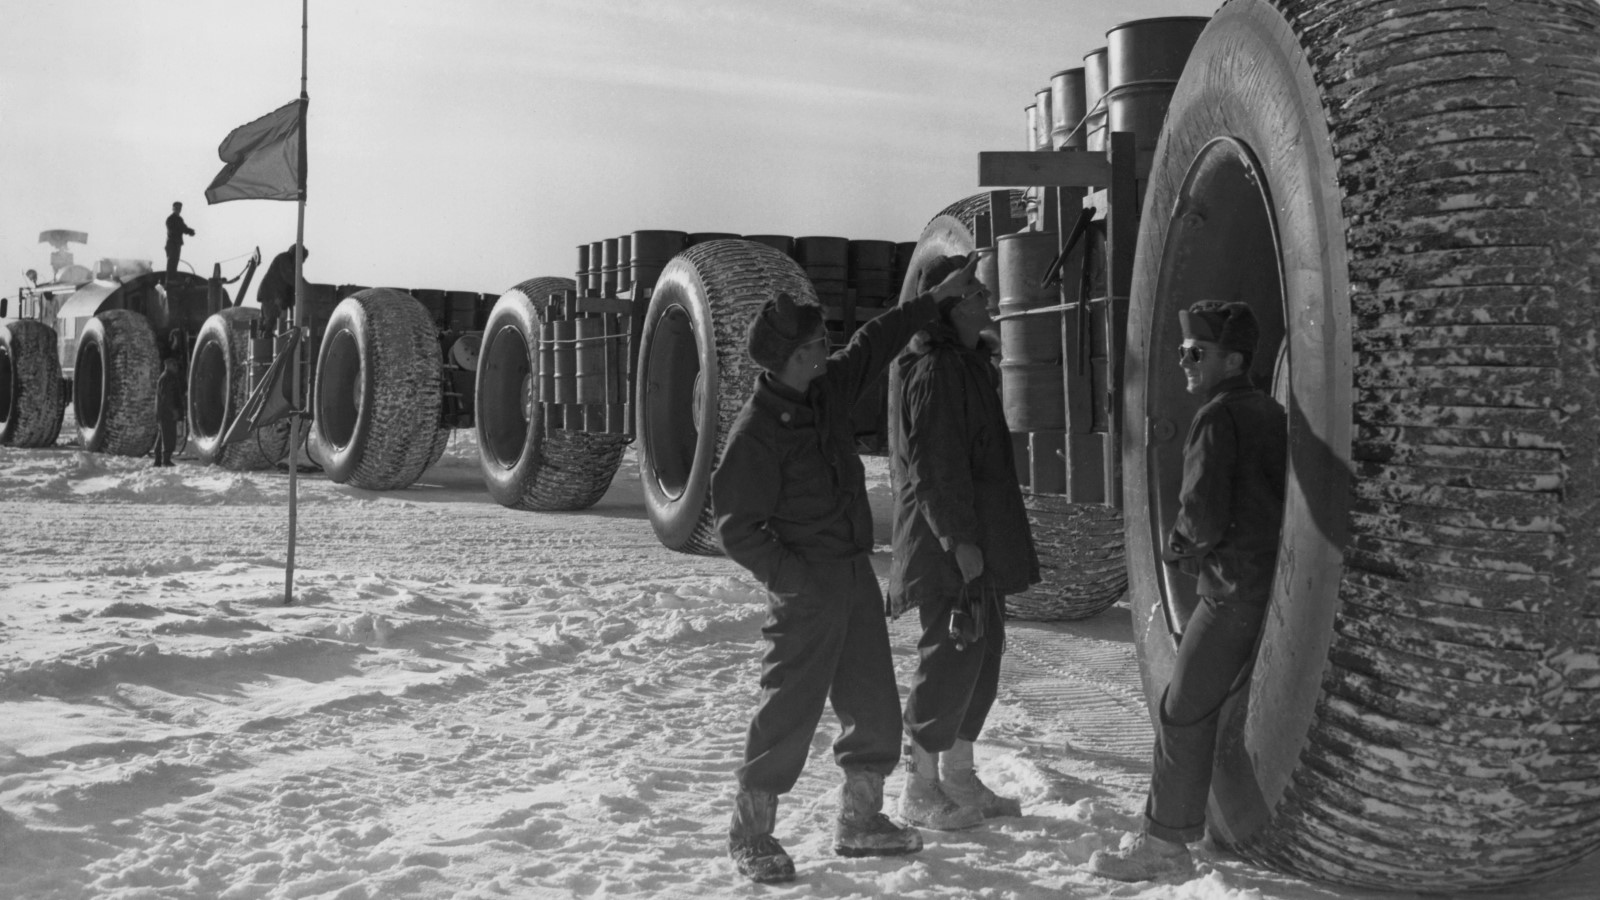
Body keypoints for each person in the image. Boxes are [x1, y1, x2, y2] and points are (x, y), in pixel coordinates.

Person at [712, 257, 983, 885]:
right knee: (787, 712)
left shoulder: (826, 389)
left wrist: (932, 301)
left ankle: (860, 820)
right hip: (806, 585)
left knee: (874, 706)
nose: (823, 353)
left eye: (822, 343)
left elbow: (876, 342)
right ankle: (750, 834)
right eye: (811, 346)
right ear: (782, 358)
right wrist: (793, 577)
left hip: (853, 575)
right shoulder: (755, 434)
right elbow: (736, 528)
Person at [1086, 300, 1286, 882]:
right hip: (1269, 584)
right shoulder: (1270, 412)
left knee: (1180, 711)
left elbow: (1199, 513)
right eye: (1181, 352)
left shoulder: (1216, 417)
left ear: (1234, 359)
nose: (1183, 362)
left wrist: (1175, 547)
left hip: (1230, 591)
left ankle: (1164, 846)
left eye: (1196, 352)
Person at [887, 254, 1039, 831]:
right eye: (973, 289)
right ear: (948, 307)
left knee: (982, 654)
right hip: (945, 543)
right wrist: (958, 541)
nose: (985, 295)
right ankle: (918, 787)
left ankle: (957, 776)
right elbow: (934, 469)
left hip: (975, 541)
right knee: (951, 656)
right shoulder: (936, 371)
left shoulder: (970, 365)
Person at [257, 244, 308, 335]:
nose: (301, 262)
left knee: (271, 322)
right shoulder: (284, 259)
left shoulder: (289, 262)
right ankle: (264, 343)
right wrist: (304, 285)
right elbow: (289, 277)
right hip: (270, 294)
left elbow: (294, 279)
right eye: (301, 259)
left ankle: (266, 339)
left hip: (275, 295)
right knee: (269, 322)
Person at [153, 357, 184, 468]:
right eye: (174, 365)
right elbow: (167, 397)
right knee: (169, 436)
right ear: (169, 365)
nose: (176, 367)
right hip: (167, 412)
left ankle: (157, 461)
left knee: (162, 435)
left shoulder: (165, 377)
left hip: (163, 412)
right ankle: (166, 460)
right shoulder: (168, 378)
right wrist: (174, 410)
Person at [164, 202, 195, 278]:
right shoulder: (170, 219)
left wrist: (190, 231)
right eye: (176, 208)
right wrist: (187, 230)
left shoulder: (179, 219)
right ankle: (169, 278)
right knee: (172, 261)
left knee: (175, 261)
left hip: (177, 243)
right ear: (173, 209)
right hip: (172, 243)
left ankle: (172, 276)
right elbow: (174, 230)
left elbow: (184, 228)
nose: (178, 210)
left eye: (179, 208)